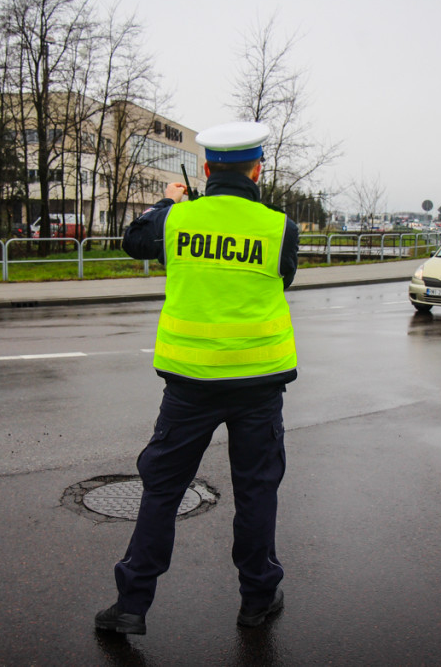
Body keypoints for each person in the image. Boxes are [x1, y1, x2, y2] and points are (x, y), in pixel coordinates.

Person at [95, 122, 300, 636]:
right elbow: (285, 275)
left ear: (206, 170)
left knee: (162, 490)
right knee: (256, 490)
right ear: (257, 169)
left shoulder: (176, 220)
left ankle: (131, 606)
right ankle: (257, 598)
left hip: (189, 385)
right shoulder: (279, 227)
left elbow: (132, 241)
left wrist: (167, 202)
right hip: (258, 384)